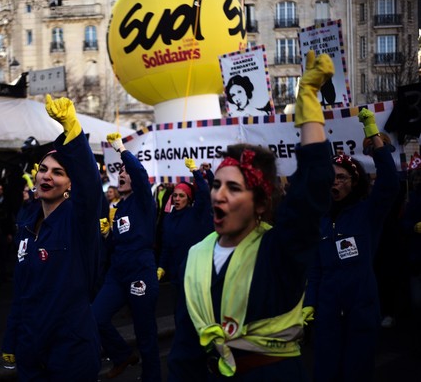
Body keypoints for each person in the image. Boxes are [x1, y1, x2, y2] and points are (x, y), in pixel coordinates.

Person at [167, 50, 335, 381]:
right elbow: (186, 347)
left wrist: (309, 107)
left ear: (260, 204)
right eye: (216, 185)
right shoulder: (196, 256)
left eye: (234, 188)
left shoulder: (278, 250)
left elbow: (312, 186)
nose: (218, 194)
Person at [1, 95, 102, 380]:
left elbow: (91, 185)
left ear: (71, 184)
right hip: (32, 350)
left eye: (58, 173)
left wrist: (73, 130)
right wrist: (12, 339)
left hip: (71, 351)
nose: (47, 176)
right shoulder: (27, 224)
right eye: (43, 169)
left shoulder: (78, 219)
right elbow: (21, 293)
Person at [304, 108, 400, 382]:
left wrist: (373, 134)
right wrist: (310, 304)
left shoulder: (367, 213)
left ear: (353, 182)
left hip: (360, 311)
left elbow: (390, 184)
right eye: (330, 178)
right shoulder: (320, 221)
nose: (334, 183)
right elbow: (315, 270)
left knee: (356, 374)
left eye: (341, 178)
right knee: (325, 373)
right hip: (328, 314)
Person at [92, 132, 161, 381]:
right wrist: (107, 235)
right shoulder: (119, 207)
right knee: (95, 317)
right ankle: (122, 356)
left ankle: (151, 377)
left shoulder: (144, 200)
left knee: (145, 331)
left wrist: (122, 151)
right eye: (119, 172)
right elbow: (117, 243)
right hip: (118, 273)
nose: (121, 174)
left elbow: (140, 176)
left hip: (140, 271)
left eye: (126, 172)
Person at [158, 158, 213, 291]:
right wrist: (161, 266)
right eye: (175, 195)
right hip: (176, 273)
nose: (177, 199)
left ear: (189, 199)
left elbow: (204, 192)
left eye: (181, 196)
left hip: (195, 273)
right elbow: (166, 246)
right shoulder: (169, 218)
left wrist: (195, 171)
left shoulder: (196, 214)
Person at [401, 164, 421, 349]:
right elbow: (404, 224)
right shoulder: (414, 199)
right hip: (417, 258)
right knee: (417, 302)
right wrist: (414, 226)